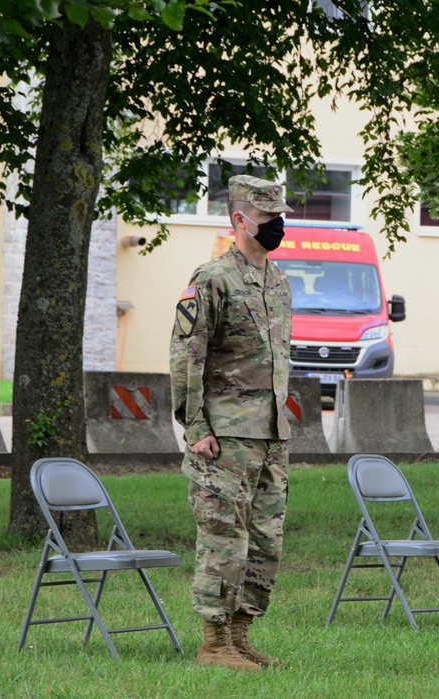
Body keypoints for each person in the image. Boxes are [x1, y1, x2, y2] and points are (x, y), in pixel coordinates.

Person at [170, 174, 293, 670]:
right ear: (240, 219)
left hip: (270, 434)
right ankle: (213, 643)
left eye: (280, 217)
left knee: (264, 539)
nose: (276, 226)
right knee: (224, 537)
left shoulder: (277, 281)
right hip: (223, 436)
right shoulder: (212, 278)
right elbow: (186, 356)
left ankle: (240, 637)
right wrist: (195, 427)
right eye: (267, 219)